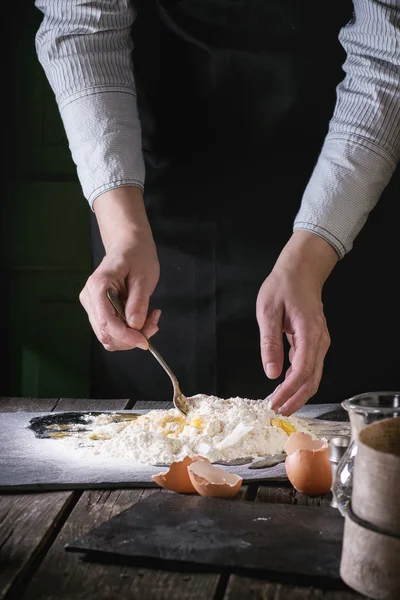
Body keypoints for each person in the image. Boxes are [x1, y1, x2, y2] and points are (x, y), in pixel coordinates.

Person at [34, 0, 400, 415]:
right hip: (153, 204)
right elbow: (83, 27)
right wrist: (124, 233)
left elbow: (389, 52)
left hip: (342, 195)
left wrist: (313, 256)